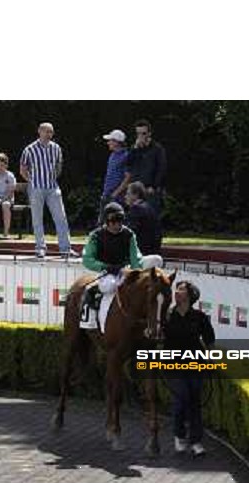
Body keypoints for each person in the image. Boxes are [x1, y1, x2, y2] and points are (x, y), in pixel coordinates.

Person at [80, 202, 163, 329]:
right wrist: (106, 267)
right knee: (110, 286)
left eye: (120, 220)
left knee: (157, 260)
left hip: (125, 270)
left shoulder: (129, 234)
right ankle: (93, 296)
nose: (117, 224)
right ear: (106, 221)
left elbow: (136, 258)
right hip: (106, 271)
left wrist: (135, 274)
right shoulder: (96, 236)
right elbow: (87, 260)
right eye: (113, 221)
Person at [163, 280, 215, 456]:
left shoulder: (199, 317)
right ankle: (179, 436)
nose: (177, 292)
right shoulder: (167, 316)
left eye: (181, 289)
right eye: (176, 289)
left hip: (195, 363)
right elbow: (158, 336)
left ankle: (196, 441)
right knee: (181, 399)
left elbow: (209, 339)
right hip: (173, 364)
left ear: (190, 295)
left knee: (194, 401)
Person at [20, 122, 78, 259]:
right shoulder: (29, 149)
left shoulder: (56, 148)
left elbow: (59, 165)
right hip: (36, 188)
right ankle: (40, 248)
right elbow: (23, 169)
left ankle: (66, 249)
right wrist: (32, 181)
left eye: (51, 132)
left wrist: (53, 178)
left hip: (53, 188)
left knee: (61, 218)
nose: (48, 134)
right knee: (37, 219)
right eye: (46, 131)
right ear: (39, 132)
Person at [123, 119, 168, 217]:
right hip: (135, 190)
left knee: (151, 218)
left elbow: (161, 169)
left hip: (149, 190)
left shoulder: (157, 149)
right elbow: (127, 163)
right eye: (138, 134)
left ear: (149, 134)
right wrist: (135, 148)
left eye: (143, 133)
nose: (140, 136)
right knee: (135, 219)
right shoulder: (134, 149)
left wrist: (154, 186)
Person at [99, 129, 129, 224]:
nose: (108, 143)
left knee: (115, 224)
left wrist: (116, 193)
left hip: (118, 197)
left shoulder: (126, 156)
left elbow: (128, 178)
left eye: (110, 140)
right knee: (102, 223)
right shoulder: (112, 155)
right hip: (107, 194)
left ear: (117, 142)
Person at [125, 181, 162, 255]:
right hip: (154, 251)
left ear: (136, 195)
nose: (125, 197)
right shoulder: (150, 208)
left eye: (128, 194)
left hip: (141, 253)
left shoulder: (136, 209)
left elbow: (130, 233)